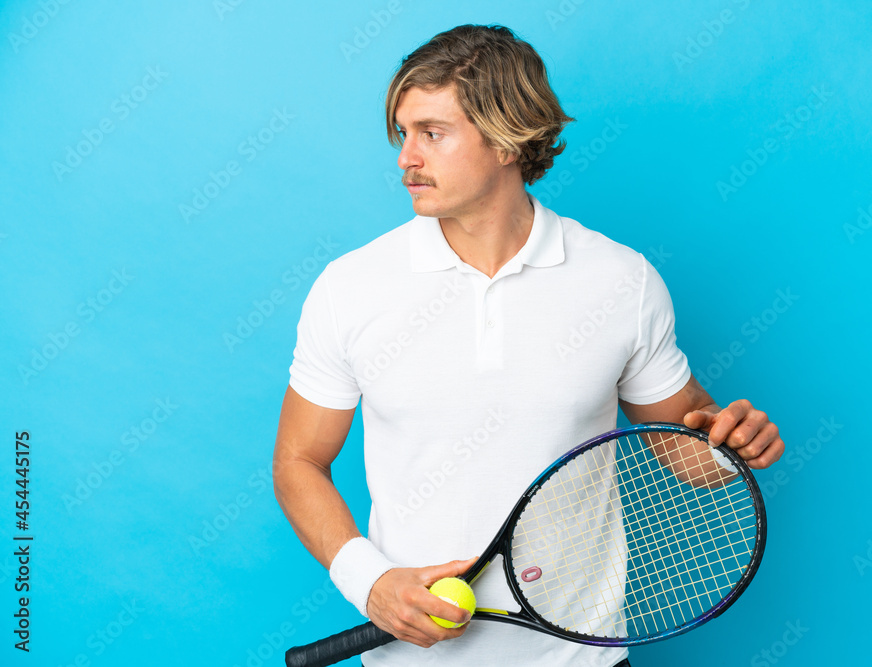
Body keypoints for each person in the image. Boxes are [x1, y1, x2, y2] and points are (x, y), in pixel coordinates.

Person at [273, 23, 784, 667]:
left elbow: (688, 446)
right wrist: (369, 582)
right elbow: (298, 461)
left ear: (508, 139)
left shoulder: (620, 280)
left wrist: (732, 445)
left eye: (432, 133)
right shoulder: (350, 287)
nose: (407, 157)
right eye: (404, 133)